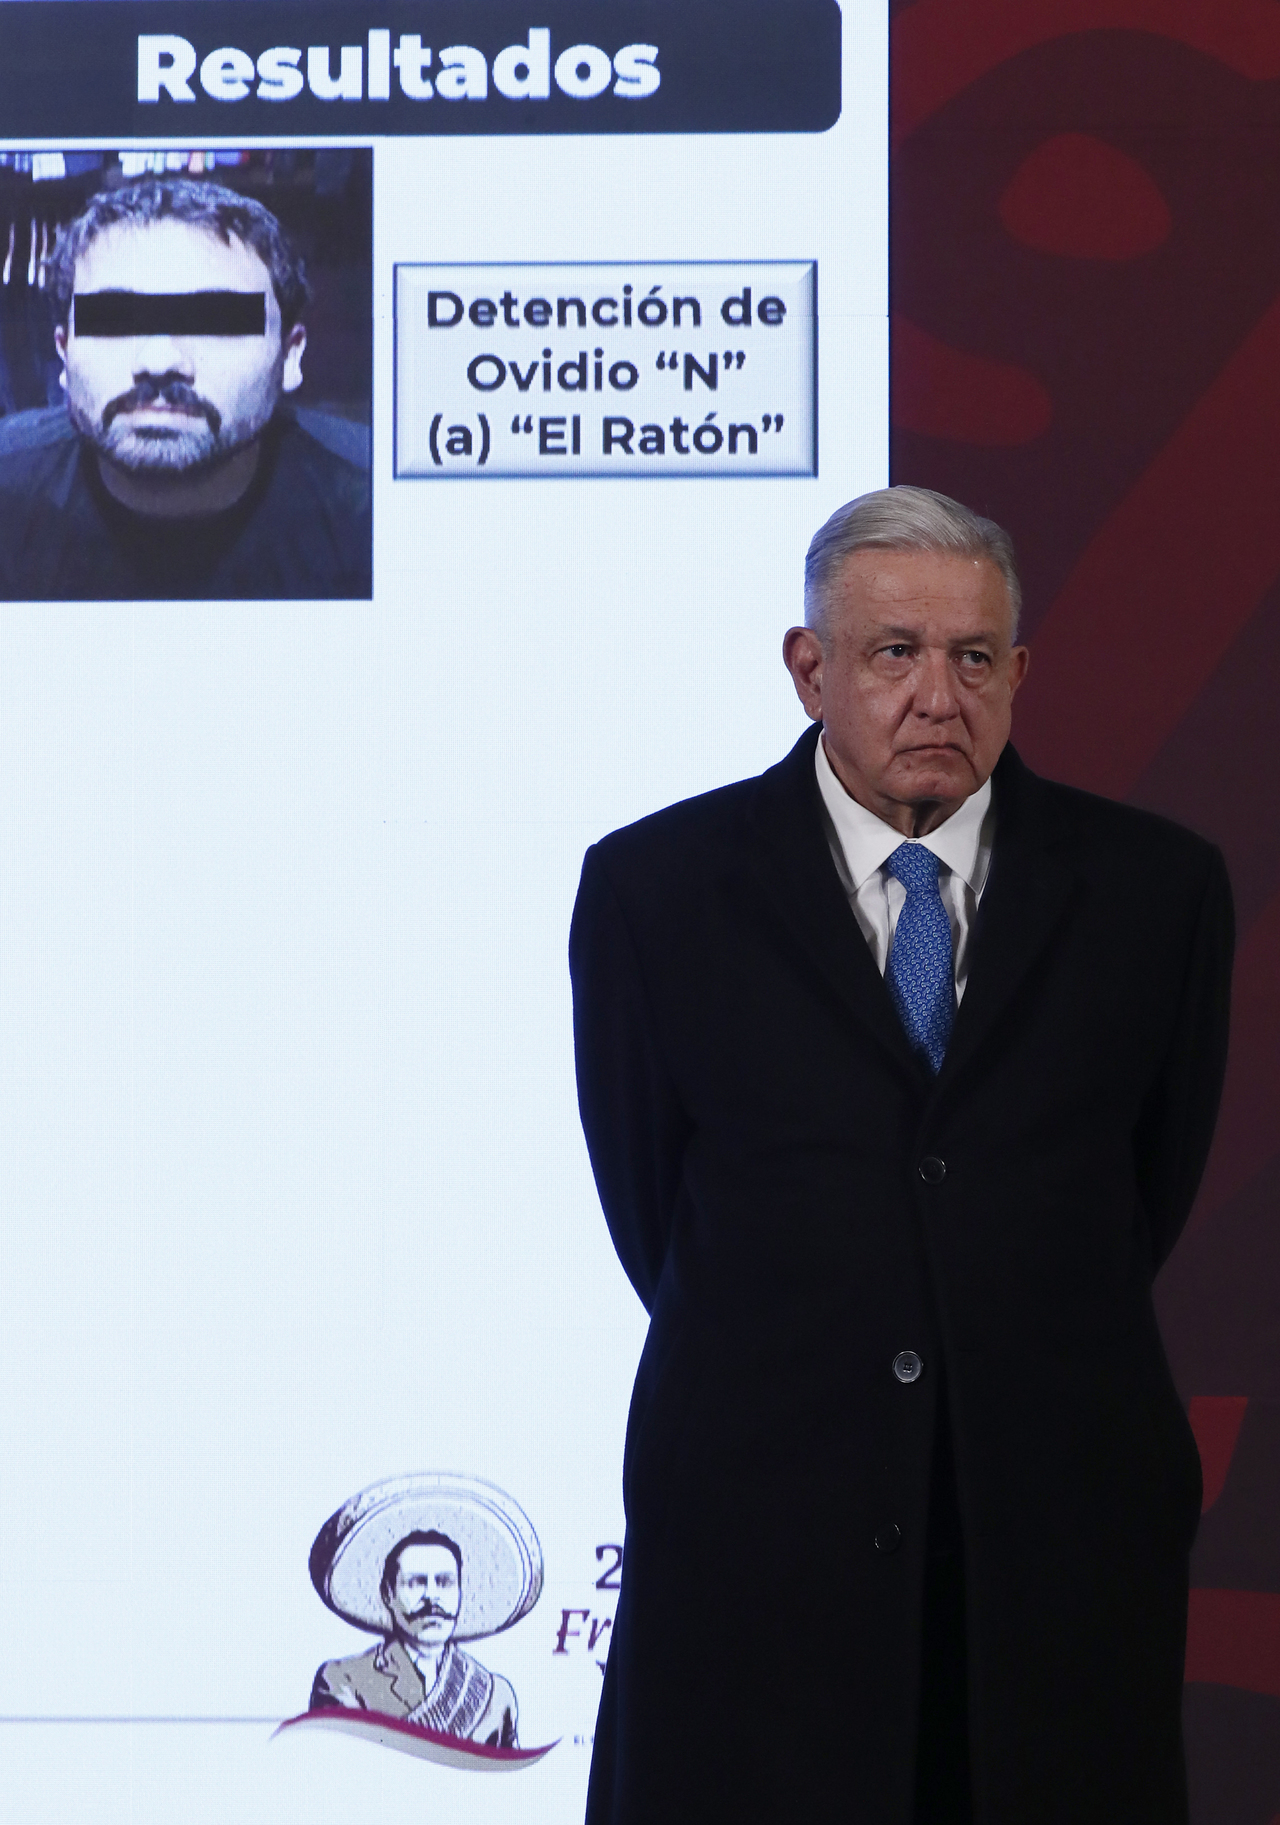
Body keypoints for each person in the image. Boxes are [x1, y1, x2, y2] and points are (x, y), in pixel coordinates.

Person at [569, 486, 1233, 1824]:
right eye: (894, 654)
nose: (939, 695)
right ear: (808, 669)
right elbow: (657, 1213)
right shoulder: (658, 890)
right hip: (760, 1549)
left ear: (1019, 672)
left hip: (1057, 1552)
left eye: (973, 656)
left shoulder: (1156, 893)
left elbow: (1141, 1198)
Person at [0, 177, 370, 600]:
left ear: (289, 357)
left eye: (215, 322)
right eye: (116, 323)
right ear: (64, 354)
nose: (160, 362)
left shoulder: (379, 503)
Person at [310, 1529, 519, 1746]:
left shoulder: (493, 1693)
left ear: (460, 1592)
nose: (431, 1596)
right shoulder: (344, 1680)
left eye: (445, 1582)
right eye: (415, 1583)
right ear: (388, 1594)